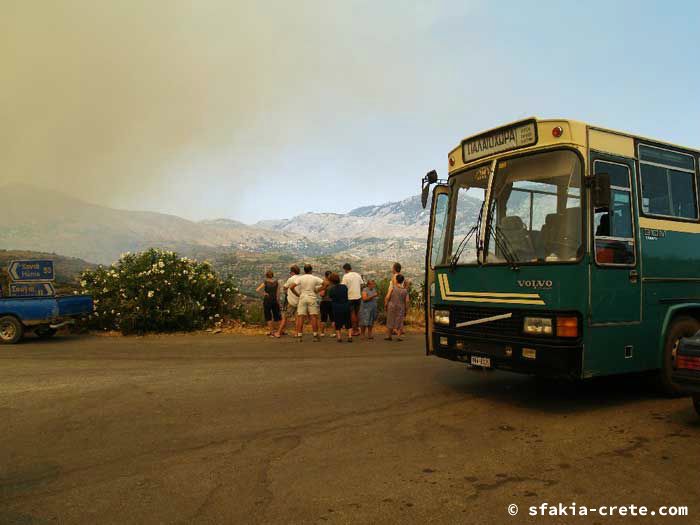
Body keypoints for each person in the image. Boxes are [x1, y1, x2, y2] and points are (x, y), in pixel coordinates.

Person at [289, 264, 324, 342]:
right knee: (313, 317)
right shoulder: (315, 278)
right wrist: (319, 290)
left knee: (300, 317)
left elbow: (291, 287)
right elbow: (326, 284)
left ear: (304, 270)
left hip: (302, 297)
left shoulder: (301, 278)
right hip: (312, 297)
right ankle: (315, 335)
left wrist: (297, 294)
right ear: (311, 270)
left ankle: (299, 336)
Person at [275, 265, 301, 338]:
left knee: (285, 317)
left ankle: (279, 332)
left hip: (291, 301)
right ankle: (296, 333)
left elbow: (284, 287)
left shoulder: (291, 279)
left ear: (292, 272)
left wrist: (287, 292)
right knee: (297, 318)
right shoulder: (301, 278)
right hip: (299, 301)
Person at [341, 263, 364, 337]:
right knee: (357, 313)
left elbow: (343, 287)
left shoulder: (345, 276)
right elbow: (362, 285)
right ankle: (357, 328)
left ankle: (355, 330)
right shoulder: (357, 275)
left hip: (350, 297)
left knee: (352, 313)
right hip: (358, 296)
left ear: (345, 269)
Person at [328, 272, 352, 342]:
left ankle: (339, 337)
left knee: (337, 321)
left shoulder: (331, 289)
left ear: (331, 281)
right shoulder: (344, 287)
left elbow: (331, 297)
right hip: (346, 305)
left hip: (336, 307)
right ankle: (350, 336)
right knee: (348, 321)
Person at [385, 274, 409, 341]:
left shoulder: (393, 288)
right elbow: (407, 301)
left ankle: (389, 336)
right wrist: (406, 309)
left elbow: (387, 297)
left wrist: (386, 304)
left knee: (390, 319)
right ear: (402, 281)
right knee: (400, 320)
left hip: (392, 305)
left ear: (397, 280)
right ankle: (399, 336)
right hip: (401, 307)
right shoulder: (405, 291)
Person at [255, 270, 280, 336]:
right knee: (276, 316)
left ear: (266, 276)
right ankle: (277, 331)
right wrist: (278, 300)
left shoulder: (265, 282)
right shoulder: (276, 282)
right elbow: (278, 293)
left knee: (268, 316)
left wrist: (264, 293)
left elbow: (257, 290)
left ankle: (271, 332)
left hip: (267, 300)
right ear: (273, 275)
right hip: (274, 300)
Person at [319, 271, 335, 337]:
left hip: (325, 302)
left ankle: (322, 333)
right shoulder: (334, 284)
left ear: (325, 276)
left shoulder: (324, 283)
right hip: (333, 302)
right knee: (333, 319)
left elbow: (322, 294)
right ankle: (333, 333)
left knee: (323, 319)